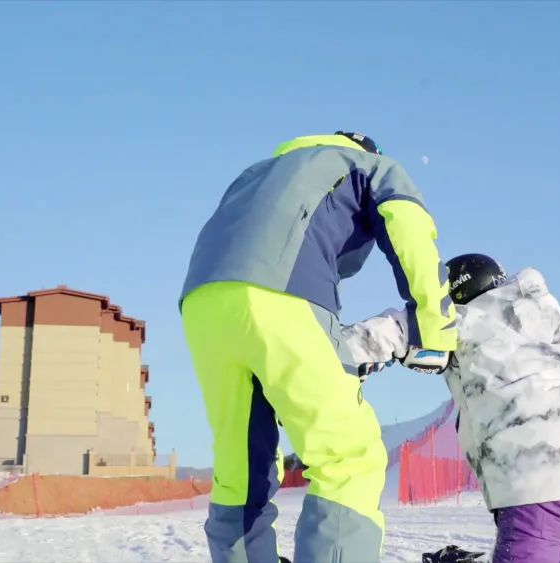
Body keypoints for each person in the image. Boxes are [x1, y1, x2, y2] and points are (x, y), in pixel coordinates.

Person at [179, 132, 457, 562]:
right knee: (348, 458)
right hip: (282, 290)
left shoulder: (258, 174)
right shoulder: (368, 164)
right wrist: (435, 332)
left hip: (203, 301)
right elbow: (409, 225)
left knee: (240, 471)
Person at [343, 254, 560, 563]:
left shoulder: (456, 322)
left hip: (538, 487)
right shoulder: (547, 325)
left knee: (529, 537)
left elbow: (381, 334)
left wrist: (324, 358)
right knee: (539, 535)